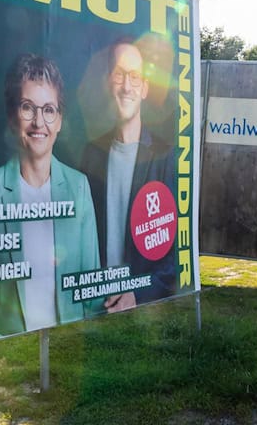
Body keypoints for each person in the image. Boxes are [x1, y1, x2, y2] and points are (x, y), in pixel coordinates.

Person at [0, 54, 101, 345]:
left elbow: (91, 292)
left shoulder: (79, 188)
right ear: (12, 116)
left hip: (70, 359)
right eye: (28, 107)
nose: (39, 122)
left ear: (60, 120)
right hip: (8, 371)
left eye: (49, 109)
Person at [81, 38, 177, 313]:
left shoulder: (165, 156)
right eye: (119, 75)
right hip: (96, 303)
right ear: (107, 83)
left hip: (138, 308)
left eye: (135, 77)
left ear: (145, 89)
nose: (126, 87)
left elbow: (173, 254)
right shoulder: (92, 153)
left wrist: (138, 295)